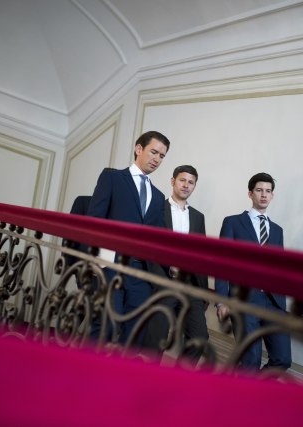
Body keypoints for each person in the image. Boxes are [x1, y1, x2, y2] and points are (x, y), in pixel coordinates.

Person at [86, 130, 170, 346]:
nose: (157, 159)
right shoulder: (112, 177)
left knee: (135, 333)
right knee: (105, 326)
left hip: (141, 272)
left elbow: (158, 237)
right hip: (110, 265)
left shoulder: (159, 197)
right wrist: (95, 261)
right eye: (154, 152)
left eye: (162, 156)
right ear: (138, 149)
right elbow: (94, 219)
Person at [214, 172, 291, 371]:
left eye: (268, 191)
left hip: (274, 303)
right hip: (244, 301)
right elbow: (222, 263)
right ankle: (247, 389)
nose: (264, 195)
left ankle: (256, 386)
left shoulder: (277, 230)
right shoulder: (233, 222)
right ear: (250, 193)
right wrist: (222, 300)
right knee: (251, 360)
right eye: (259, 190)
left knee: (283, 359)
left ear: (272, 195)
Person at [143, 165, 209, 362]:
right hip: (163, 282)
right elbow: (148, 245)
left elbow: (201, 255)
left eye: (191, 182)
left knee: (199, 338)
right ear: (173, 181)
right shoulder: (156, 208)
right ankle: (145, 379)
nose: (186, 185)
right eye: (182, 180)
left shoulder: (198, 217)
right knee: (156, 339)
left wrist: (203, 292)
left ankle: (178, 378)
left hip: (190, 286)